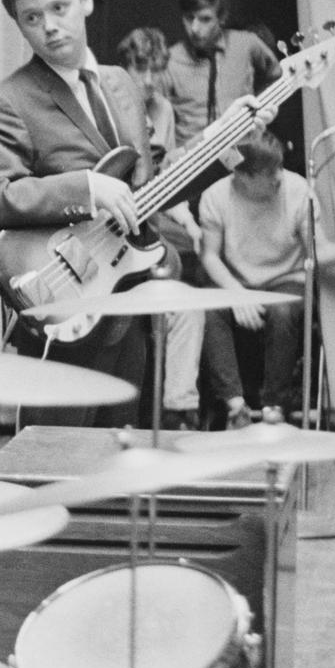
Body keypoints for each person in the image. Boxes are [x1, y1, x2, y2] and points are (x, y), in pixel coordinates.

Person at [0, 0, 171, 425]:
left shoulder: (121, 83)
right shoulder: (8, 100)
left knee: (121, 472)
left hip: (129, 304)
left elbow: (147, 186)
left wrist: (221, 156)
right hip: (63, 311)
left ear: (85, 0)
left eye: (58, 8)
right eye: (31, 17)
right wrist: (85, 189)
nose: (49, 26)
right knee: (51, 467)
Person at [196, 130, 335, 425]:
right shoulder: (216, 197)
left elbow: (318, 253)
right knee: (210, 313)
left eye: (280, 168)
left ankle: (274, 407)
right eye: (269, 172)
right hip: (237, 282)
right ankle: (236, 408)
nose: (279, 177)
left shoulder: (298, 191)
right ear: (243, 176)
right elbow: (209, 255)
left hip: (287, 278)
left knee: (284, 312)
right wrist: (238, 294)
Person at [118, 25, 205, 429]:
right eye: (141, 70)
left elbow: (163, 179)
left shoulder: (163, 111)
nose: (149, 82)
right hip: (112, 232)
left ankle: (177, 410)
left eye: (156, 71)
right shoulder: (109, 101)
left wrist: (187, 219)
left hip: (147, 232)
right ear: (126, 67)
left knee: (187, 305)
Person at [162, 0, 279, 166]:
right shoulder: (169, 60)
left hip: (244, 163)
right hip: (189, 165)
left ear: (222, 18)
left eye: (205, 19)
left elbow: (276, 76)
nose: (194, 28)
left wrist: (262, 109)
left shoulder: (247, 45)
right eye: (189, 18)